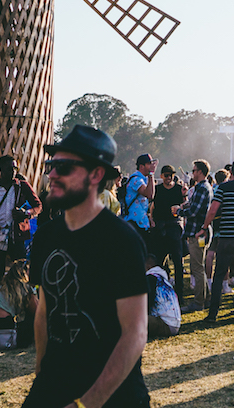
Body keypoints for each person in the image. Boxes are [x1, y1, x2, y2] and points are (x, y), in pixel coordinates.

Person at [25, 124, 149, 408]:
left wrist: (86, 404)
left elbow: (135, 332)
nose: (52, 174)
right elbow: (45, 311)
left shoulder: (122, 240)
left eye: (65, 167)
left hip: (114, 395)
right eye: (51, 165)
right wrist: (42, 375)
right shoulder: (46, 236)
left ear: (96, 174)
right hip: (53, 386)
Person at [197, 161, 234, 323]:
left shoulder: (222, 188)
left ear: (230, 172)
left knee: (219, 274)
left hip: (227, 235)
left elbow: (213, 210)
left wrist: (204, 227)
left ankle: (213, 314)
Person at [0, 155, 41, 288]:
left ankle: (23, 300)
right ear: (1, 170)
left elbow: (38, 206)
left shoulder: (21, 186)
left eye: (15, 168)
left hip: (17, 236)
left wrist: (26, 213)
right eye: (9, 168)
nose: (13, 171)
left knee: (21, 271)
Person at [179, 160, 212, 313]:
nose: (192, 173)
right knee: (199, 267)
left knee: (197, 268)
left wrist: (178, 212)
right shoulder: (205, 187)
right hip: (201, 231)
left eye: (194, 170)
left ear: (200, 171)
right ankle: (206, 298)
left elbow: (193, 211)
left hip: (197, 232)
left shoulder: (201, 188)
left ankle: (199, 302)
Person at [150, 165, 186, 301]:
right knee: (159, 262)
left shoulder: (179, 189)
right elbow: (153, 206)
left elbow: (185, 205)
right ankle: (160, 291)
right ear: (161, 176)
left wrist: (185, 195)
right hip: (159, 227)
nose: (168, 177)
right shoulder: (157, 189)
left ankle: (180, 294)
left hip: (174, 227)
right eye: (166, 175)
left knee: (178, 262)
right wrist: (151, 219)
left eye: (170, 175)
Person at [124, 153, 157, 245]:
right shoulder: (136, 180)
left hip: (142, 222)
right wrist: (151, 174)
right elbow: (149, 194)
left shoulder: (143, 179)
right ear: (141, 166)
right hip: (135, 222)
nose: (151, 166)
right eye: (149, 164)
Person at [145, 256, 181, 338]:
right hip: (174, 323)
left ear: (148, 267)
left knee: (132, 320)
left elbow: (148, 302)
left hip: (165, 324)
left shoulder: (151, 279)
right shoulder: (162, 279)